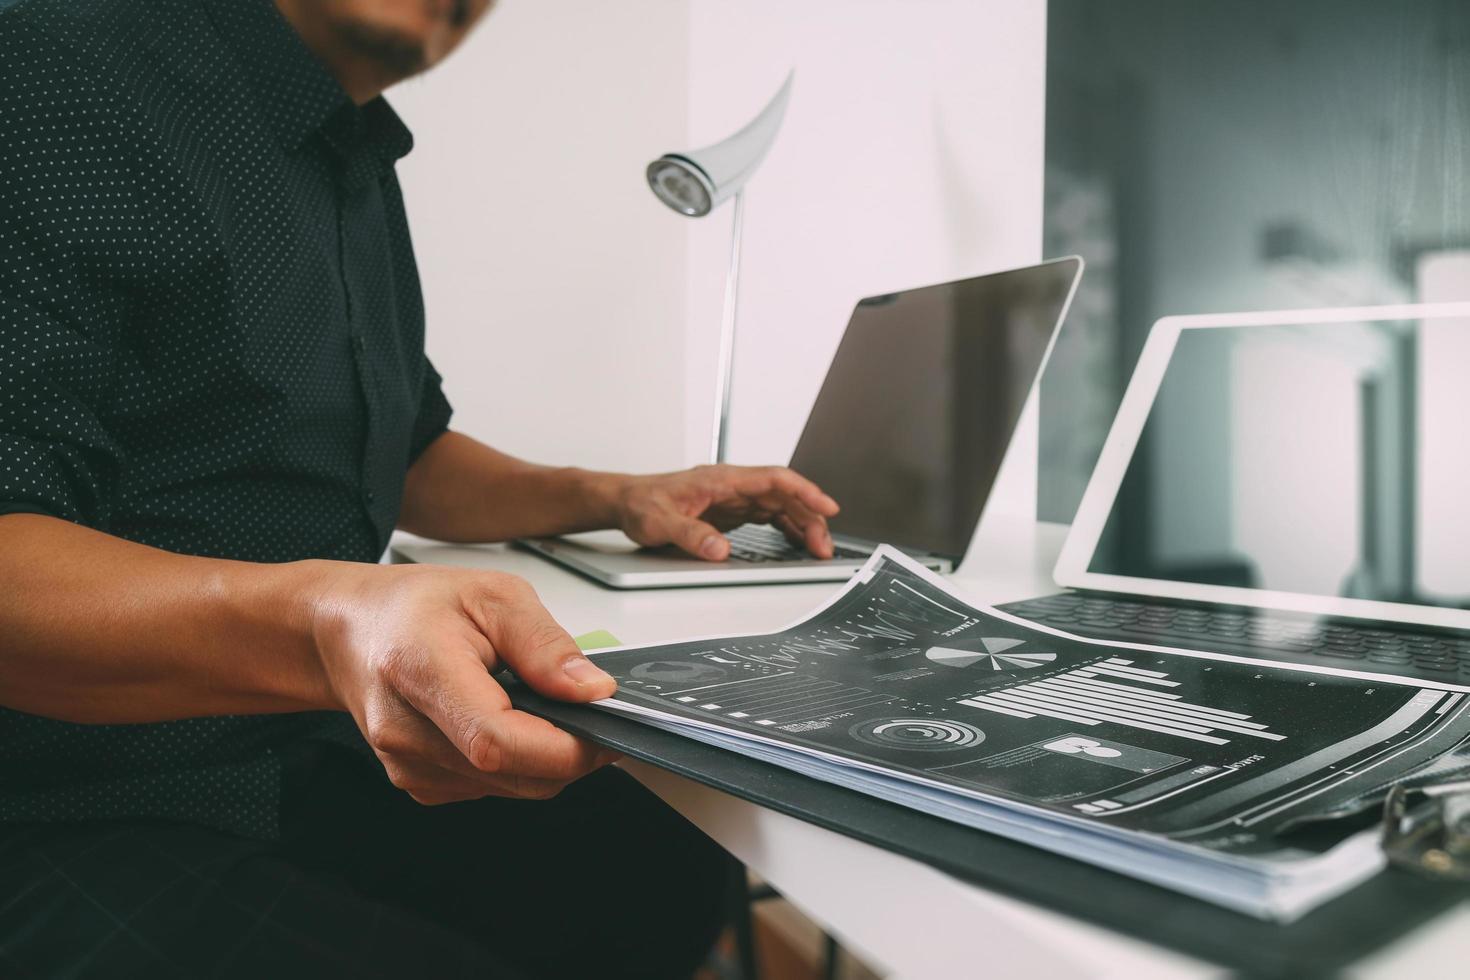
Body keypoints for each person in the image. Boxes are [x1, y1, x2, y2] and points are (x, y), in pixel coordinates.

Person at [0, 0, 840, 976]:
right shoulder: (47, 64)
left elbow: (408, 453)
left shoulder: (349, 152)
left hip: (285, 757)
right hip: (59, 808)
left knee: (661, 854)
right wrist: (329, 616)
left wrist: (621, 495)